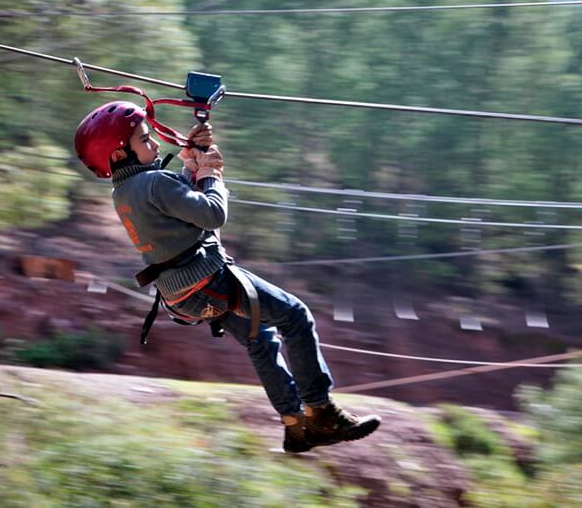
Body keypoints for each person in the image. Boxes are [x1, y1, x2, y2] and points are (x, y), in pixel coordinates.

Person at [74, 100, 381, 453]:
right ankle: (322, 414)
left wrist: (192, 162)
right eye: (145, 140)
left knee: (259, 338)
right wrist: (211, 175)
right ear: (117, 156)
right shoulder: (154, 183)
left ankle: (296, 427)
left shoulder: (125, 192)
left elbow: (176, 204)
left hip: (182, 296)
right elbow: (212, 214)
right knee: (295, 317)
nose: (156, 144)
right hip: (210, 280)